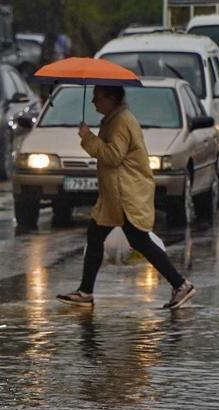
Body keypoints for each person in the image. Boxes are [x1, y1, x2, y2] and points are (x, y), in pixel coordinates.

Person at [57, 84, 196, 309]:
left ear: (112, 99)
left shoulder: (121, 122)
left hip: (126, 193)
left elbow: (113, 157)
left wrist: (88, 138)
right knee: (95, 235)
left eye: (98, 98)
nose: (94, 103)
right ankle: (85, 291)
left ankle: (181, 284)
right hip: (115, 194)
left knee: (138, 239)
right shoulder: (115, 119)